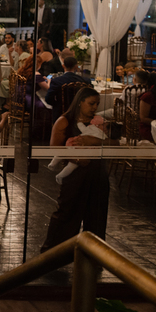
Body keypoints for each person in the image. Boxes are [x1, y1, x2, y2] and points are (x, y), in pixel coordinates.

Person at [40, 86, 109, 252]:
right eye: (91, 103)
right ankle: (54, 253)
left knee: (96, 217)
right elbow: (55, 148)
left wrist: (94, 141)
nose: (95, 107)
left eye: (97, 104)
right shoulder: (65, 121)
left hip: (98, 174)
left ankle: (93, 254)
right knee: (67, 214)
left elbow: (114, 143)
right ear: (80, 102)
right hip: (76, 175)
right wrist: (76, 159)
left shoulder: (98, 122)